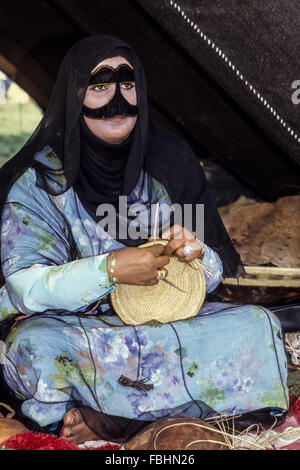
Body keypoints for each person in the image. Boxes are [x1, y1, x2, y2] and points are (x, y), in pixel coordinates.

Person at [0, 36, 288, 445]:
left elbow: (208, 275)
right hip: (79, 329)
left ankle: (109, 421)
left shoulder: (169, 162)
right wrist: (111, 270)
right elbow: (25, 287)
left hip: (164, 324)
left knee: (256, 324)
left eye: (128, 85)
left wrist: (197, 254)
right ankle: (154, 417)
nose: (118, 101)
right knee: (34, 345)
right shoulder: (42, 181)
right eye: (99, 86)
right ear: (73, 94)